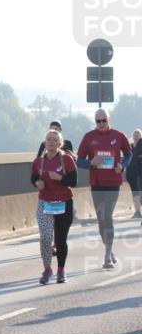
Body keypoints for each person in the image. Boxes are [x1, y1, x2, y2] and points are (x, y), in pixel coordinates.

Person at [76, 109, 133, 269]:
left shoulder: (118, 135)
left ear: (109, 119)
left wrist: (122, 167)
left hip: (113, 183)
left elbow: (129, 154)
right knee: (101, 220)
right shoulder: (89, 137)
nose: (101, 124)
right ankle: (110, 251)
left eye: (104, 120)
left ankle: (107, 257)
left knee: (107, 215)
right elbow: (79, 161)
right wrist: (91, 162)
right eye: (98, 121)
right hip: (96, 183)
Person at [31, 129, 77, 284]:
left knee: (60, 239)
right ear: (45, 142)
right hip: (45, 202)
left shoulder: (67, 160)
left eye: (54, 139)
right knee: (45, 237)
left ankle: (61, 270)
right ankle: (47, 269)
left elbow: (73, 181)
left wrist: (60, 178)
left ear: (60, 143)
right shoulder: (38, 162)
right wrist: (38, 183)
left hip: (64, 203)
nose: (51, 142)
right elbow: (33, 178)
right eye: (48, 139)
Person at [129, 128, 142, 219]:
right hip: (131, 172)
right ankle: (137, 212)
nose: (136, 136)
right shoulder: (130, 147)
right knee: (135, 192)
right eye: (134, 135)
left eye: (138, 134)